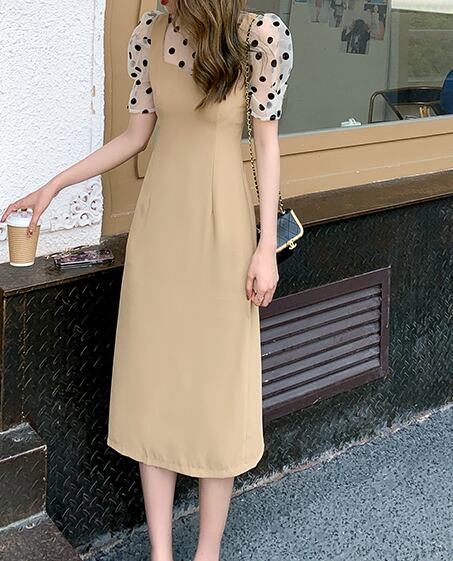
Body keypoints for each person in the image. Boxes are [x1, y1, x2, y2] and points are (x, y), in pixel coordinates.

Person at [0, 1, 293, 560]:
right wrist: (52, 186)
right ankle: (161, 552)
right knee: (152, 384)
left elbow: (266, 144)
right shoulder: (149, 35)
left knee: (218, 391)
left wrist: (264, 248)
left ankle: (207, 552)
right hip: (159, 231)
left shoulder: (260, 36)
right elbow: (134, 137)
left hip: (224, 231)